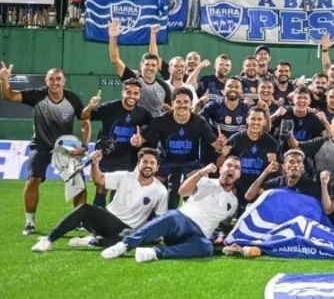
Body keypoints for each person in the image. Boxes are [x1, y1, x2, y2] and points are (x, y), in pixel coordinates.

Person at [0, 63, 90, 236]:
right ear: (46, 81)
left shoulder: (73, 98)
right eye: (51, 78)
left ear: (64, 81)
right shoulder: (37, 95)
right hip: (40, 144)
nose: (55, 82)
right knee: (33, 179)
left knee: (78, 181)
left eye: (58, 79)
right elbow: (9, 96)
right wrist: (4, 80)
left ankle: (79, 220)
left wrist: (84, 145)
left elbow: (84, 121)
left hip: (66, 146)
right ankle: (29, 223)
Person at [101, 157, 241, 262]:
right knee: (172, 216)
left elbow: (225, 224)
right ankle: (125, 245)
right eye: (228, 165)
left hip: (198, 235)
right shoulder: (205, 182)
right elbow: (182, 192)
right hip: (182, 220)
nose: (232, 169)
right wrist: (201, 173)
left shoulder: (233, 202)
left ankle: (154, 253)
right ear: (221, 169)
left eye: (236, 167)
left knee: (207, 248)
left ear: (239, 174)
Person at [31, 148, 167, 252]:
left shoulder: (161, 190)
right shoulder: (125, 176)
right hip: (108, 220)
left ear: (157, 167)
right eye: (145, 161)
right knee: (84, 209)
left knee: (130, 239)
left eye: (152, 163)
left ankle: (92, 241)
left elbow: (160, 218)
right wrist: (95, 164)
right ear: (138, 164)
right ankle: (48, 239)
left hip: (128, 229)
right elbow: (99, 179)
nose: (148, 165)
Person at [134, 87, 224, 209]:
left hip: (190, 162)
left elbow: (216, 145)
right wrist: (137, 141)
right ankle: (148, 215)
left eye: (186, 102)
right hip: (165, 162)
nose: (182, 105)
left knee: (203, 182)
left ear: (191, 104)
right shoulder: (161, 120)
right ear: (172, 103)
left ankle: (196, 215)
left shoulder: (199, 122)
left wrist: (221, 144)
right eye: (178, 102)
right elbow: (141, 140)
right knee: (148, 183)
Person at [80, 79, 153, 207]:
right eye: (128, 92)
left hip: (127, 158)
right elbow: (85, 116)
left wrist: (142, 138)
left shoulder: (143, 113)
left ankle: (114, 220)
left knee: (120, 190)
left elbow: (154, 129)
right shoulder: (109, 108)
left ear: (139, 95)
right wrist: (91, 106)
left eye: (136, 93)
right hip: (106, 155)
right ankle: (97, 220)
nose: (132, 96)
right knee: (101, 187)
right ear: (122, 92)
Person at [218, 106, 279, 209]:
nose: (256, 122)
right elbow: (219, 166)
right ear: (247, 120)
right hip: (236, 187)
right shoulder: (235, 139)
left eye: (259, 119)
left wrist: (276, 163)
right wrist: (223, 154)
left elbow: (281, 170)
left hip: (259, 187)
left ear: (264, 122)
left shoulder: (272, 143)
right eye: (253, 118)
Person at [108, 21, 170, 117]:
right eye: (147, 64)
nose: (150, 67)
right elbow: (115, 60)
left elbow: (169, 107)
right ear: (141, 65)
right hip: (133, 127)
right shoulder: (132, 80)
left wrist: (153, 35)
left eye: (153, 65)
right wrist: (113, 37)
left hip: (154, 129)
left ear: (157, 67)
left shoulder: (164, 86)